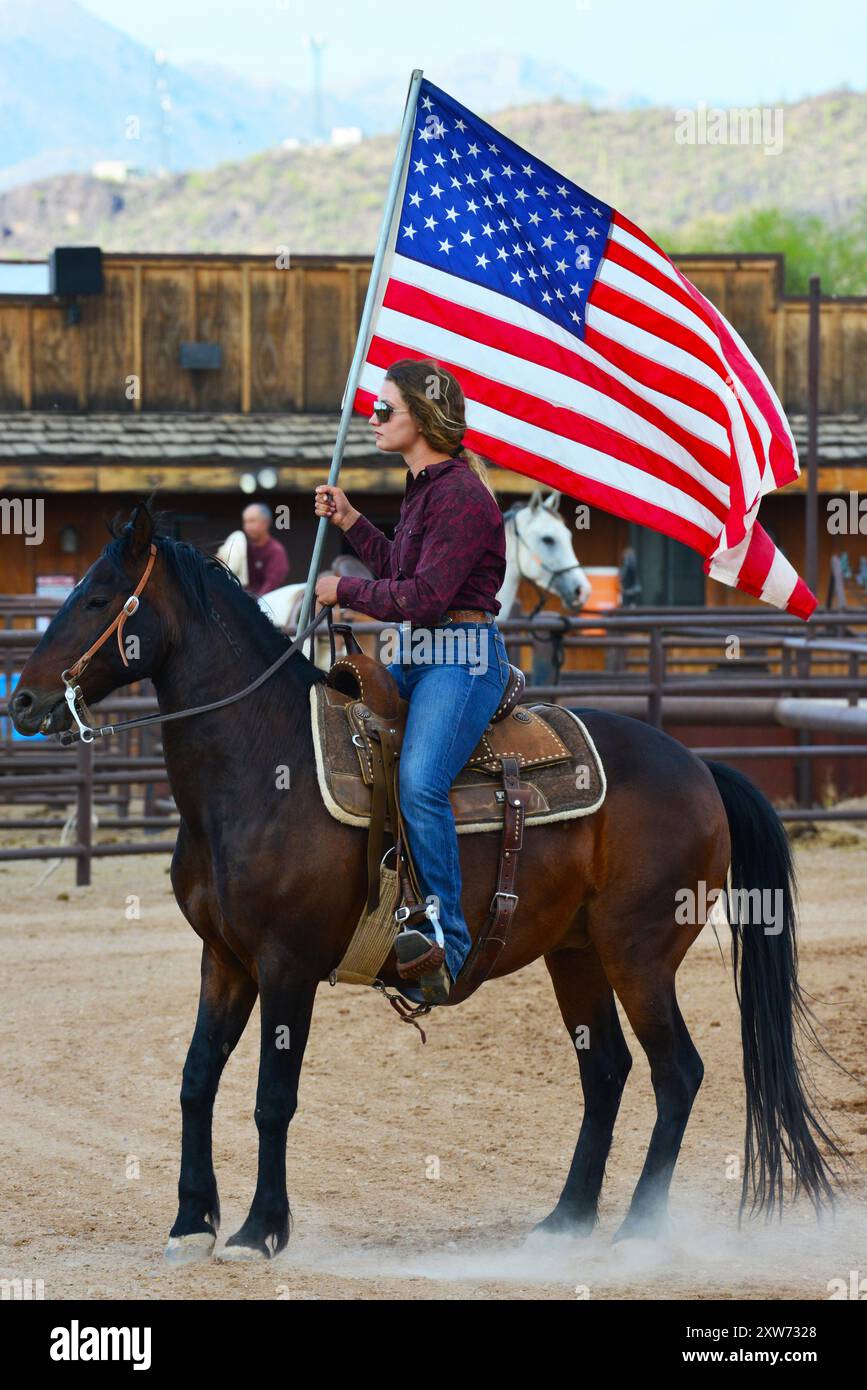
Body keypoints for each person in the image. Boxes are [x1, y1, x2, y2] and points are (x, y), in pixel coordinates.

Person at [313, 358, 510, 1004]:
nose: (372, 420)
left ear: (420, 420)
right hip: (422, 651)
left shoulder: (457, 494)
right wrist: (350, 523)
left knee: (421, 781)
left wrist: (342, 589)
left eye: (382, 410)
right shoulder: (426, 485)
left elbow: (423, 596)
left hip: (462, 654)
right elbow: (402, 568)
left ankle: (447, 944)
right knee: (335, 712)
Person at [242, 503, 289, 596]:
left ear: (265, 523)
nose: (247, 526)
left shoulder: (276, 551)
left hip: (266, 605)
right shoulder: (242, 548)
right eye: (245, 522)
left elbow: (272, 584)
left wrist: (252, 604)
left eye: (252, 521)